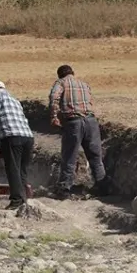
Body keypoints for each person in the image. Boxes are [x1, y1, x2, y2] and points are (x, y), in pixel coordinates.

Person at [49, 64, 109, 198]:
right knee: (95, 156)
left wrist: (54, 117)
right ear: (73, 73)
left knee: (69, 156)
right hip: (91, 121)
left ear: (60, 75)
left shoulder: (61, 83)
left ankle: (64, 189)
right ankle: (103, 186)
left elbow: (54, 98)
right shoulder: (83, 84)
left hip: (73, 122)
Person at [0, 81, 35, 209]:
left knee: (13, 169)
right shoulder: (14, 100)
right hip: (28, 137)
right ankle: (23, 198)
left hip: (12, 137)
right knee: (22, 170)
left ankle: (16, 200)